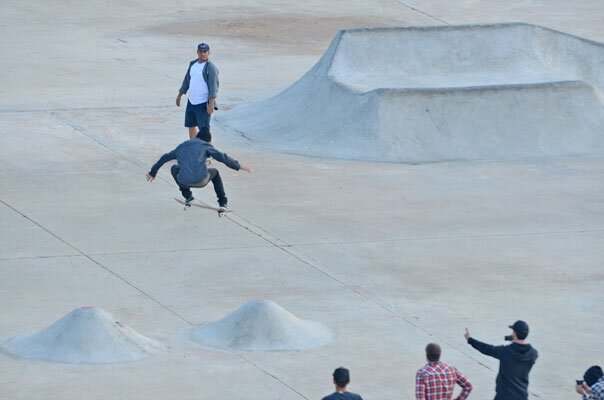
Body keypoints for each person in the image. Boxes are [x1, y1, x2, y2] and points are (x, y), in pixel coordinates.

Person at [146, 127, 250, 210]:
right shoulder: (206, 146)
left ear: (196, 137)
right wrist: (239, 166)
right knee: (215, 173)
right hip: (201, 180)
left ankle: (188, 196)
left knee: (174, 168)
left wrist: (153, 172)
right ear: (209, 141)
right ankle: (223, 202)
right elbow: (223, 158)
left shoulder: (182, 145)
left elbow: (165, 157)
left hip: (183, 181)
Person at [465, 321, 538, 400]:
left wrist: (470, 339)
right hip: (522, 396)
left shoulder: (505, 351)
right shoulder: (533, 354)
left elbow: (486, 348)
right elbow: (520, 349)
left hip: (504, 396)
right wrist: (515, 342)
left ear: (514, 333)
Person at [176, 42, 219, 139]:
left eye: (205, 51)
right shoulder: (193, 64)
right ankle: (193, 148)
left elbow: (214, 87)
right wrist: (180, 94)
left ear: (209, 53)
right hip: (191, 101)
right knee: (191, 126)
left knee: (204, 130)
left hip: (203, 103)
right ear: (197, 52)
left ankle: (207, 151)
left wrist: (211, 104)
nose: (202, 53)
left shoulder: (211, 68)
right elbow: (187, 80)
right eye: (200, 51)